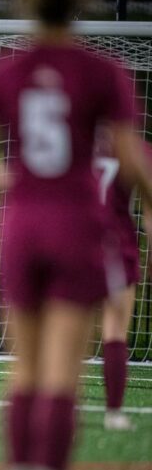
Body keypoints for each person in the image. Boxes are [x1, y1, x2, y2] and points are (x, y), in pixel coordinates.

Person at [0, 0, 152, 470]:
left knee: (21, 368)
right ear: (82, 5)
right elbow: (131, 159)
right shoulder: (102, 70)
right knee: (61, 375)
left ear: (24, 3)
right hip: (76, 222)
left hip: (22, 223)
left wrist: (21, 185)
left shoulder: (3, 68)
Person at [95, 137, 152, 431]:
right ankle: (113, 412)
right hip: (115, 244)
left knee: (59, 331)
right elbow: (149, 210)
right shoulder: (134, 148)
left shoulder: (74, 137)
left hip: (70, 240)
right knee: (115, 328)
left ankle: (51, 409)